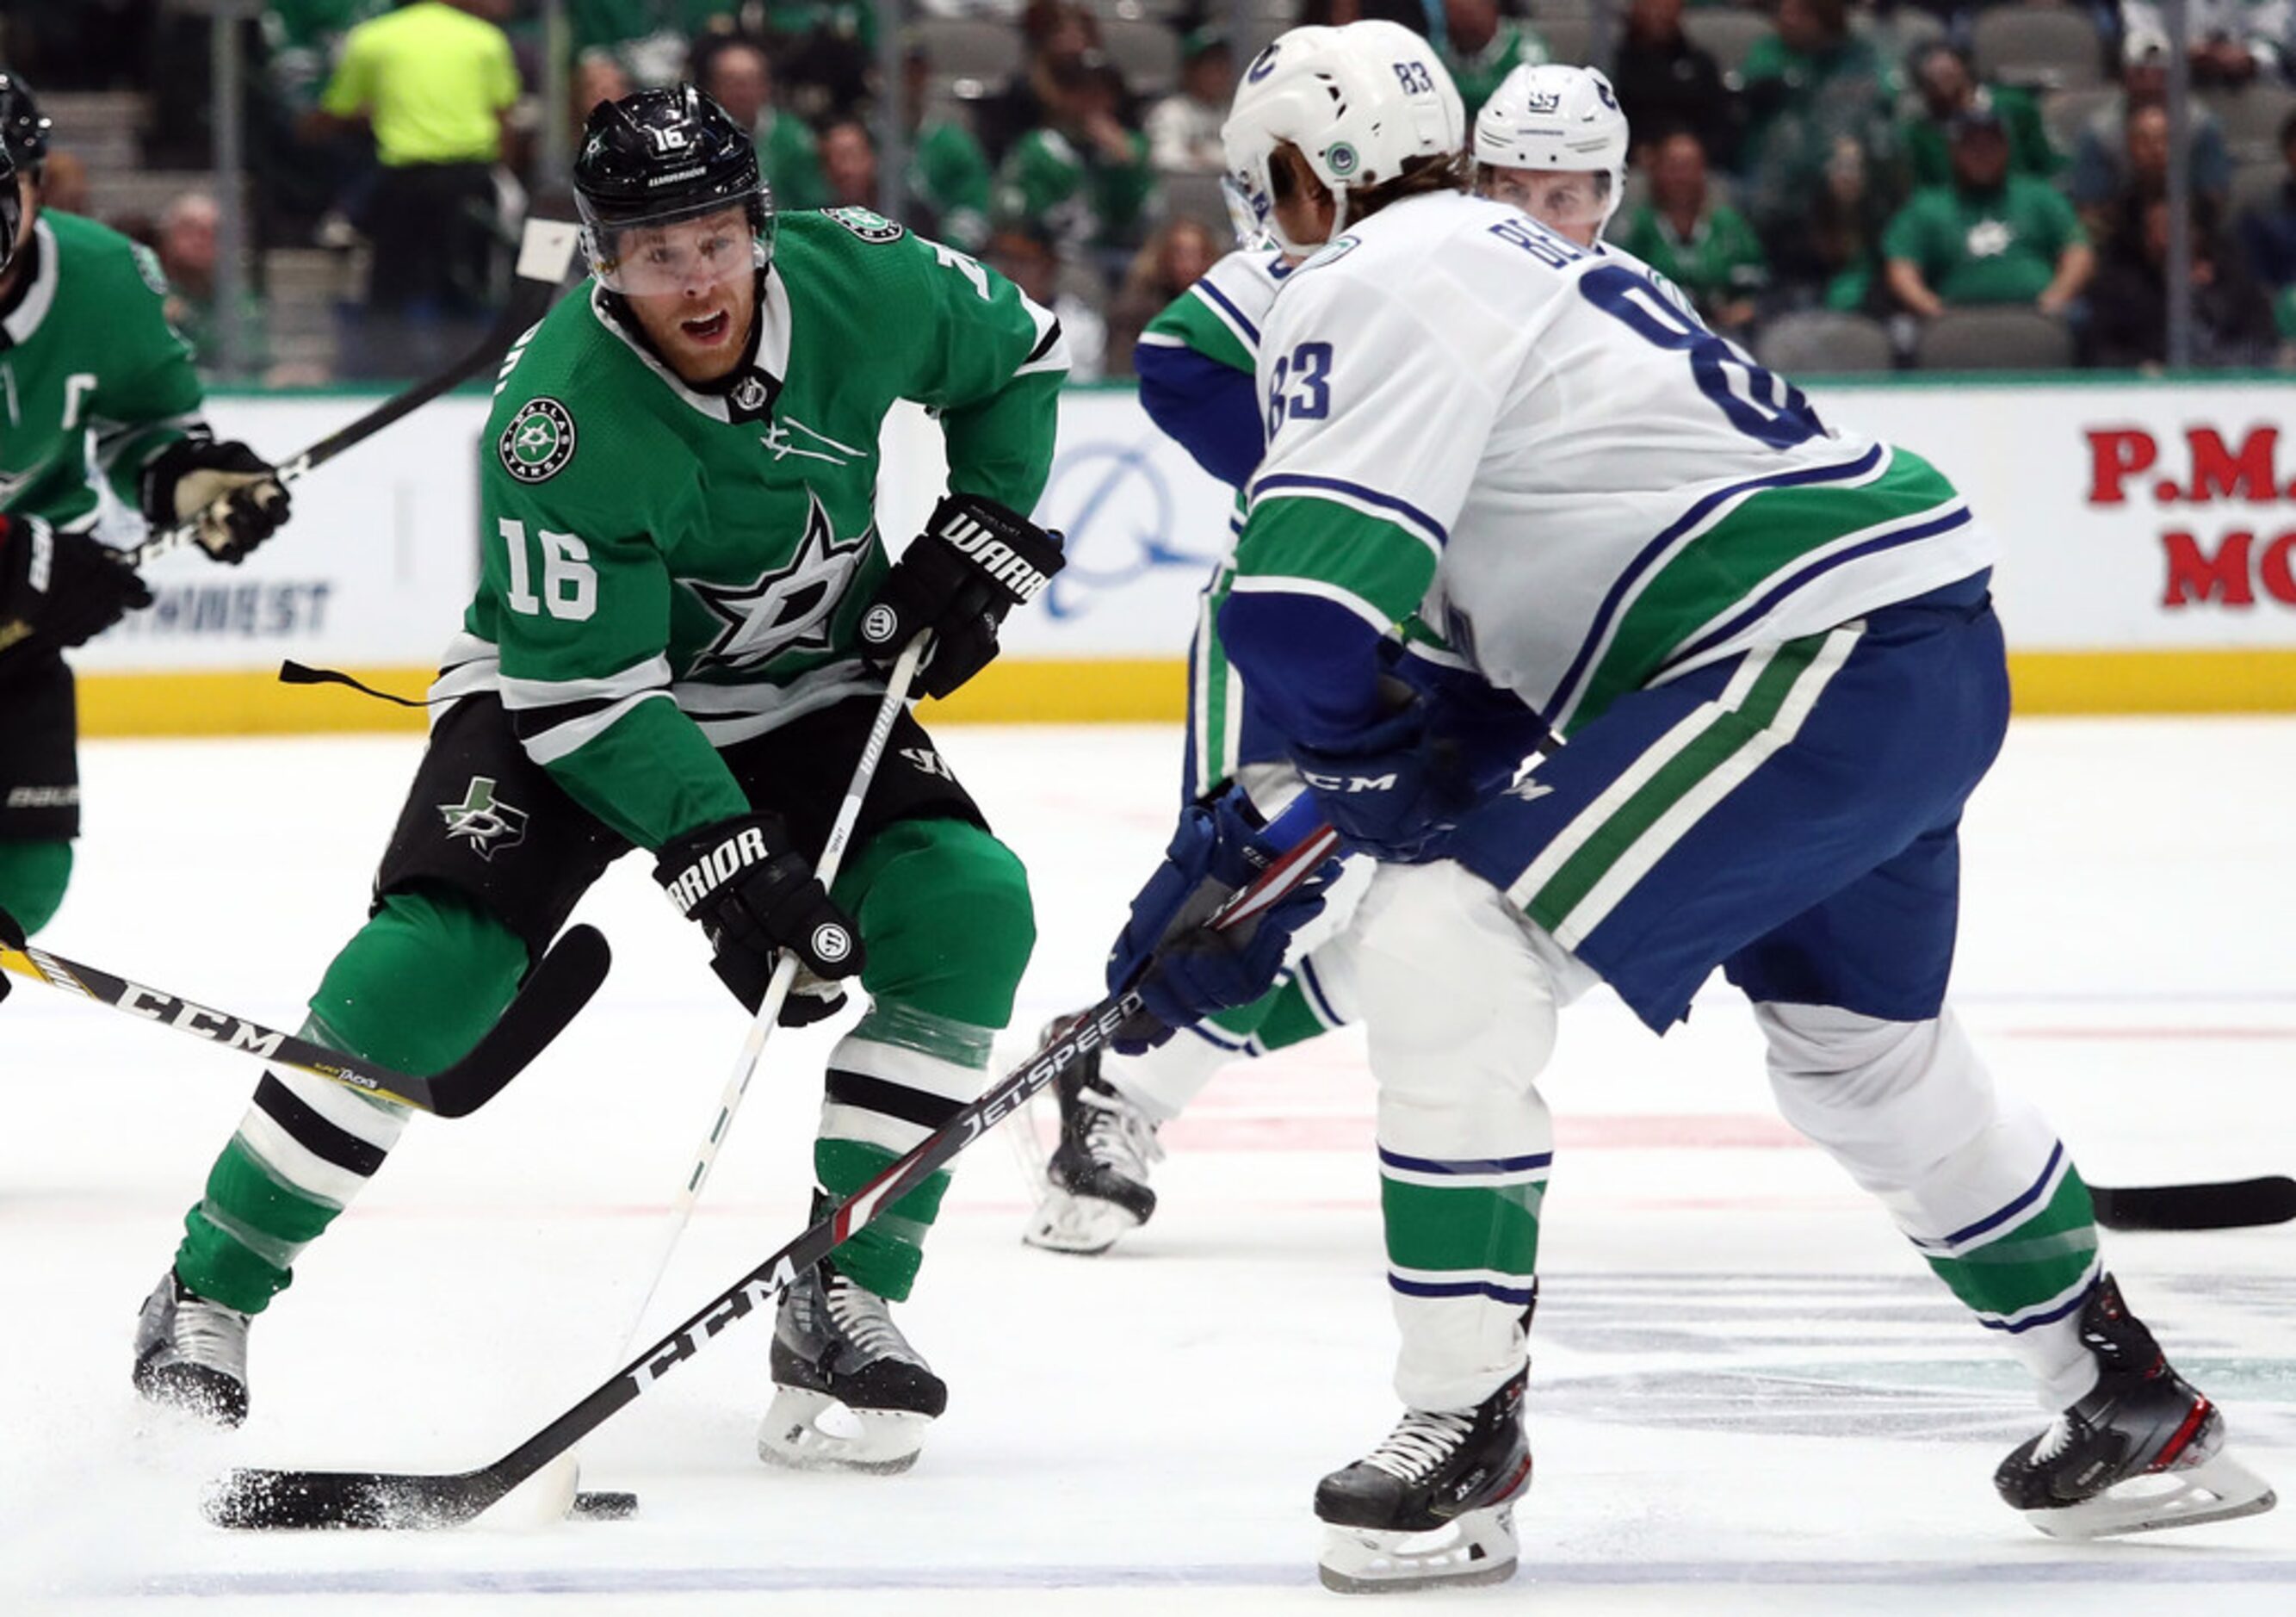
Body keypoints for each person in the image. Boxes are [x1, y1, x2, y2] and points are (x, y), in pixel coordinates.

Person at [1124, 20, 2274, 1591]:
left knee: (1443, 948)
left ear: (1300, 179)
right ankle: (2131, 1404)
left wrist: (1339, 768)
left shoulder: (1365, 275)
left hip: (1791, 651)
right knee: (1863, 1060)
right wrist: (1407, 738)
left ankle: (1462, 1428)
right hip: (1903, 635)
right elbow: (1505, 571)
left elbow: (1302, 625)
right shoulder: (1512, 261)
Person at [130, 87, 1070, 1483]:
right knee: (429, 967)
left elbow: (1025, 355)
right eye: (647, 252)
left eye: (709, 240)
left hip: (804, 683)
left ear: (758, 227)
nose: (689, 279)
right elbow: (587, 696)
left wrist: (983, 524)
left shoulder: (868, 274)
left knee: (970, 904)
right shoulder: (555, 422)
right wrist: (728, 865)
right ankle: (209, 1287)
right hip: (567, 701)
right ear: (599, 260)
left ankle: (843, 1285)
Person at [1027, 59, 1652, 1254]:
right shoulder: (1371, 261)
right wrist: (1320, 478)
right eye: (1514, 182)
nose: (1542, 210)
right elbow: (1177, 355)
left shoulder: (1602, 298)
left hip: (1472, 651)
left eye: (1569, 192)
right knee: (1254, 862)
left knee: (1447, 908)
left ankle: (1121, 1071)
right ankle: (1119, 1072)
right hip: (1310, 606)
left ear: (1610, 194)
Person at [0, 75, 289, 944]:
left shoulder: (106, 279)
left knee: (29, 868)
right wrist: (31, 563)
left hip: (15, 633)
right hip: (22, 586)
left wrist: (189, 481)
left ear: (35, 186)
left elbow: (144, 419)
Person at [312, 0, 522, 375]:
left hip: (406, 181)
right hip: (469, 179)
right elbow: (504, 117)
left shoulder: (374, 38)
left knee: (391, 286)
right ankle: (473, 371)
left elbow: (338, 110)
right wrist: (501, 171)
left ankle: (386, 376)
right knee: (467, 283)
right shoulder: (484, 39)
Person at [1882, 105, 2092, 321]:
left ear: (2006, 149)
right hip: (1956, 316)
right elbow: (1901, 266)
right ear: (1954, 152)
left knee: (2081, 317)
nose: (1982, 154)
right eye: (1972, 146)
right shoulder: (1927, 206)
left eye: (1992, 145)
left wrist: (2058, 296)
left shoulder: (2040, 195)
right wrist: (1931, 308)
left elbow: (2078, 251)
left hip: (2040, 311)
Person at [2089, 194, 2279, 368]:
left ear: (2196, 233)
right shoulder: (2123, 287)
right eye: (2153, 230)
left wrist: (2202, 295)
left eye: (2170, 228)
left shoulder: (2231, 278)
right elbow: (2101, 350)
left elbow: (2261, 338)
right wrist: (2140, 365)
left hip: (2233, 383)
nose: (2162, 240)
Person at [1618, 128, 1768, 334]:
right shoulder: (1636, 228)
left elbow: (1755, 290)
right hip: (1653, 332)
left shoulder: (1728, 225)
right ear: (1656, 170)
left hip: (1723, 333)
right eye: (1674, 167)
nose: (1682, 177)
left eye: (1689, 166)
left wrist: (1742, 308)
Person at [693, 34, 828, 213]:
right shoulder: (696, 139)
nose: (742, 92)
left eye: (750, 81)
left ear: (767, 86)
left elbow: (813, 202)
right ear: (712, 87)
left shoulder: (794, 137)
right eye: (731, 82)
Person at [1898, 42, 2058, 193]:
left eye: (1945, 74)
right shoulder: (1920, 133)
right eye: (1931, 80)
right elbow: (1923, 192)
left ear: (1962, 69)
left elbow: (2045, 164)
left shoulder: (2014, 107)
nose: (1939, 80)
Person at [1145, 28, 1235, 175]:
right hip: (1180, 195)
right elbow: (1164, 160)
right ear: (1189, 70)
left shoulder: (1234, 113)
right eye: (1211, 65)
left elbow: (1248, 164)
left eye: (1224, 64)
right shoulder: (1170, 112)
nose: (1221, 72)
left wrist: (1203, 154)